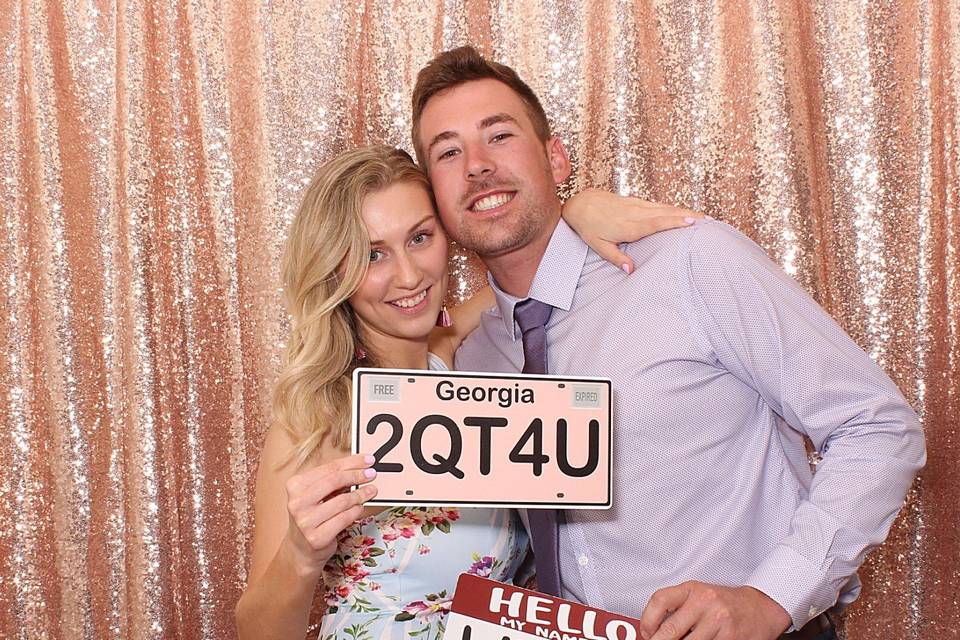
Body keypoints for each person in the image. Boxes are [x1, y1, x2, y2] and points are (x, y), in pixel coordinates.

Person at [410, 46, 926, 640]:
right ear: (434, 195)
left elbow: (878, 427)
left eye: (498, 136)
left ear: (556, 159)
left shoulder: (690, 261)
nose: (476, 165)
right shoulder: (475, 355)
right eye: (449, 152)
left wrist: (772, 597)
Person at [234, 145, 702, 640]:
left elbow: (534, 274)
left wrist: (576, 209)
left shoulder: (453, 351)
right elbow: (256, 630)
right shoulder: (315, 420)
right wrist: (301, 556)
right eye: (373, 254)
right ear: (335, 271)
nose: (409, 276)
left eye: (419, 237)